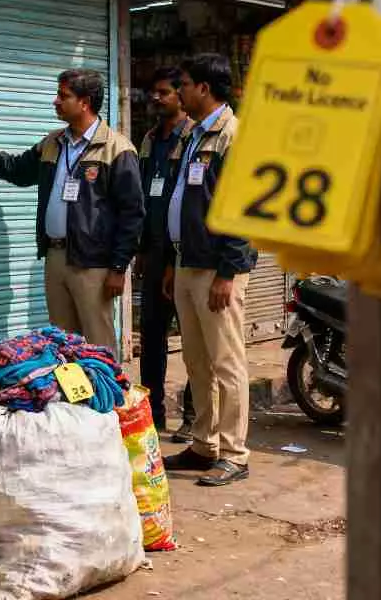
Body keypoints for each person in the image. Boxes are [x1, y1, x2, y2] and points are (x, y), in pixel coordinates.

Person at [0, 69, 144, 353]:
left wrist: (119, 267)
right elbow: (19, 171)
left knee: (98, 345)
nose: (55, 101)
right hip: (56, 257)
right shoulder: (53, 142)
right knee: (62, 343)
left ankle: (106, 384)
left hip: (93, 263)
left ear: (84, 102)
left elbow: (132, 214)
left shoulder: (116, 148)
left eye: (63, 96)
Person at [161, 53, 258, 487]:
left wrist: (228, 273)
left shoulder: (233, 136)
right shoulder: (193, 134)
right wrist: (173, 260)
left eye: (183, 84)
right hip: (188, 261)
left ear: (203, 87)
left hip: (218, 270)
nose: (178, 92)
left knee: (226, 362)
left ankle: (235, 453)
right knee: (197, 361)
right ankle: (205, 444)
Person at [138, 68, 195, 437]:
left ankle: (193, 417)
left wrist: (175, 260)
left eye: (163, 92)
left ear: (181, 95)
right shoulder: (149, 139)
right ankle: (153, 414)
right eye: (153, 92)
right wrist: (142, 250)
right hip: (154, 253)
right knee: (152, 338)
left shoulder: (193, 137)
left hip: (184, 253)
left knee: (193, 339)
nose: (155, 98)